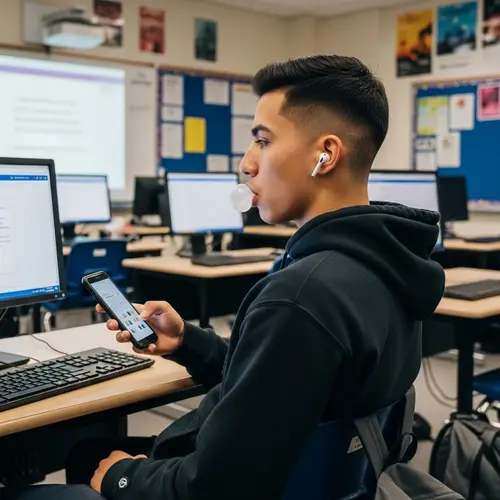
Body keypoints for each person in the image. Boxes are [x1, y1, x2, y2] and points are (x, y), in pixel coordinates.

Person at [9, 54, 445, 500]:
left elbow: (218, 487)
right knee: (91, 452)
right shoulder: (385, 265)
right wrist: (189, 342)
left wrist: (127, 478)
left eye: (262, 140)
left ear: (326, 155)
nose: (247, 163)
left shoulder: (301, 297)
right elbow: (282, 386)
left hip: (239, 482)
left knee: (73, 470)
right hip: (319, 480)